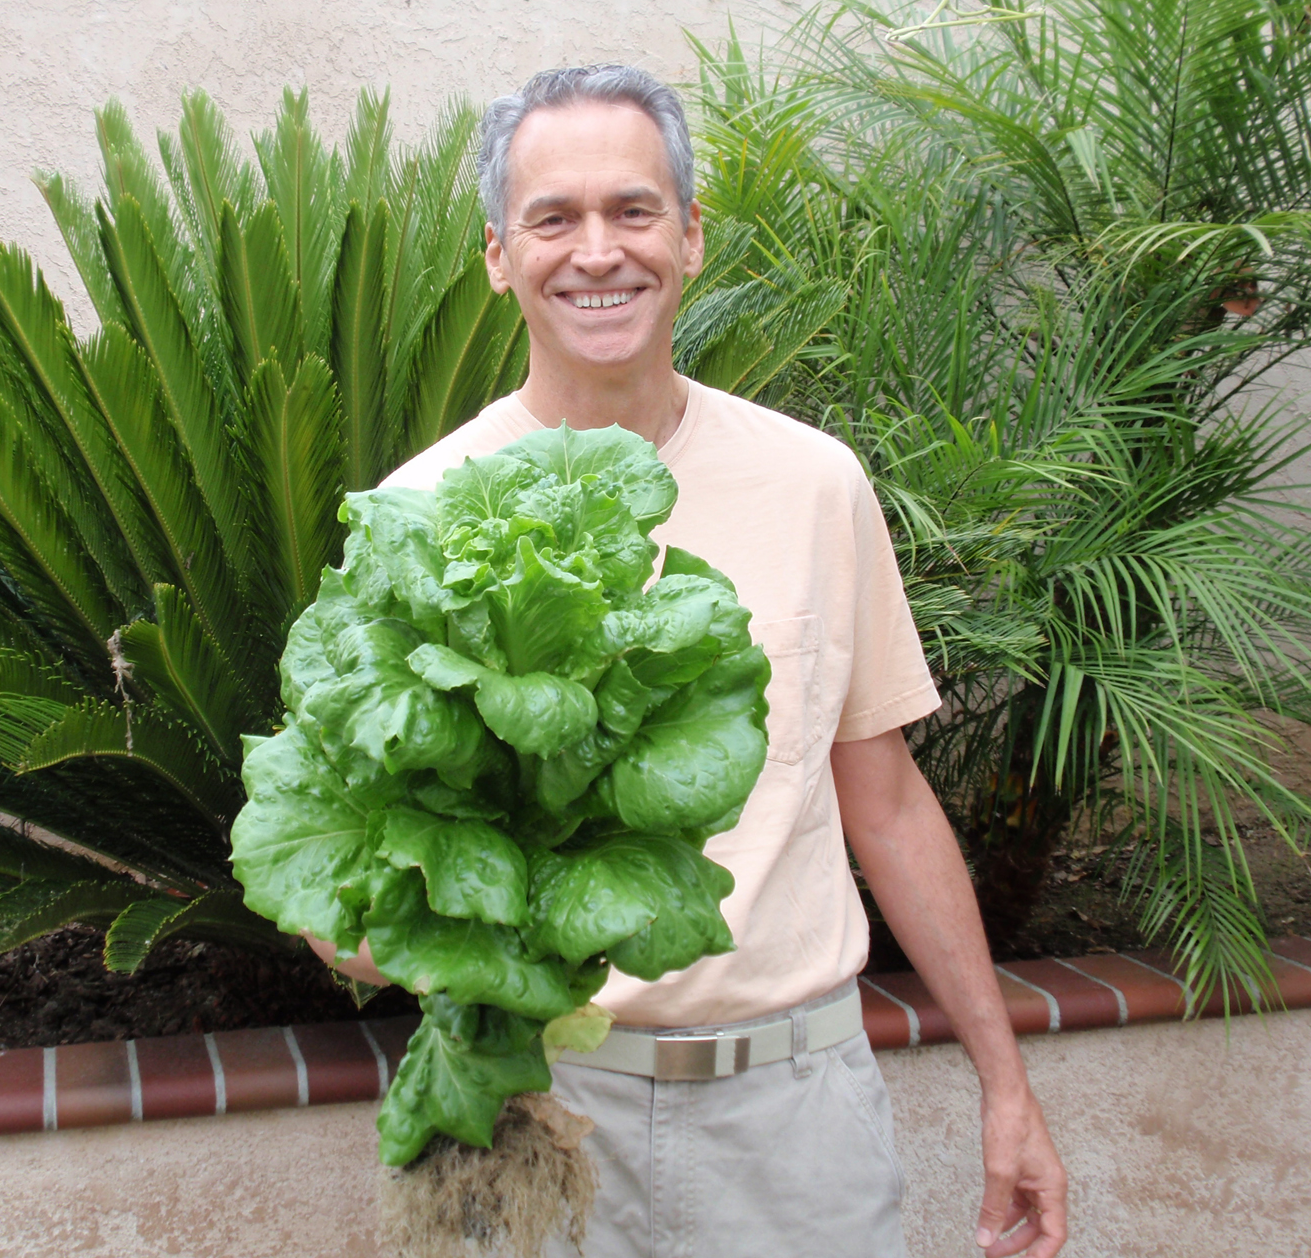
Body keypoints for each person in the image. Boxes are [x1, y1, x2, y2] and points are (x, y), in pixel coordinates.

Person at [307, 64, 1067, 1258]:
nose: (597, 252)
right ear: (499, 254)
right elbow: (346, 860)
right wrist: (367, 926)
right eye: (554, 219)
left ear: (692, 238)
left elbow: (887, 800)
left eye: (635, 211)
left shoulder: (816, 483)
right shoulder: (417, 514)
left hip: (794, 1114)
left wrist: (1005, 1083)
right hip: (534, 1108)